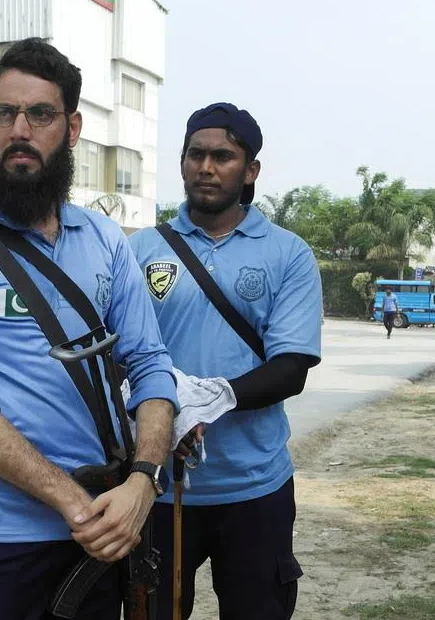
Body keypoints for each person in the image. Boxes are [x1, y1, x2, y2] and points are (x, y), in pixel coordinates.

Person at [0, 38, 179, 619]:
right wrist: (75, 506)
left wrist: (143, 482)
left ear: (73, 127)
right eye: (5, 114)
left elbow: (152, 367)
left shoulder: (107, 240)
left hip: (106, 535)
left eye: (40, 114)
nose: (20, 130)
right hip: (4, 543)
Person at [129, 102, 323, 619]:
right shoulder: (140, 249)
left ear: (250, 170)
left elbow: (292, 368)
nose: (206, 167)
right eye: (195, 154)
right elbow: (117, 354)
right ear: (182, 161)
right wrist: (157, 411)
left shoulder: (288, 253)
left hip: (256, 488)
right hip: (157, 490)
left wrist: (210, 401)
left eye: (223, 156)